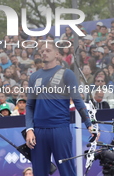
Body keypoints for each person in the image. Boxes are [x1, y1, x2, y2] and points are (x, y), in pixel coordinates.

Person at [25, 42, 92, 176]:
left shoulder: (67, 74)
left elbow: (78, 100)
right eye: (42, 51)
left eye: (48, 50)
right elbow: (29, 105)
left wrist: (89, 125)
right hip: (38, 132)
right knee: (39, 172)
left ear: (57, 54)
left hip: (60, 128)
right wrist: (29, 129)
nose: (44, 53)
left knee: (67, 171)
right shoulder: (34, 77)